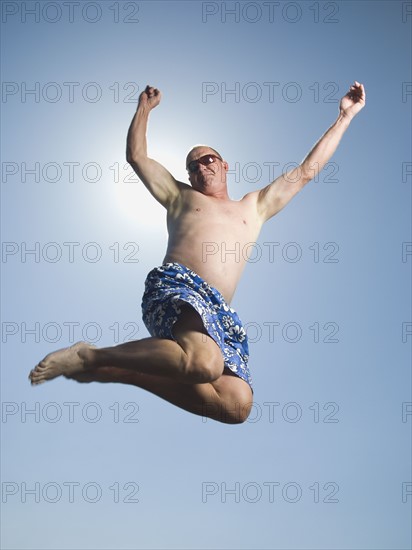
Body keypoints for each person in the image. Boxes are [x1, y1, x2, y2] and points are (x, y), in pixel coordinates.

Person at [29, 82, 366, 424]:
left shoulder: (254, 207)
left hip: (217, 310)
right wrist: (144, 109)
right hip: (178, 287)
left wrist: (344, 117)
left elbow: (306, 172)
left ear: (224, 165)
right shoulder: (181, 197)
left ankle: (120, 371)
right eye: (192, 166)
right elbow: (137, 157)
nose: (200, 167)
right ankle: (91, 355)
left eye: (207, 160)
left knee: (236, 406)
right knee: (204, 363)